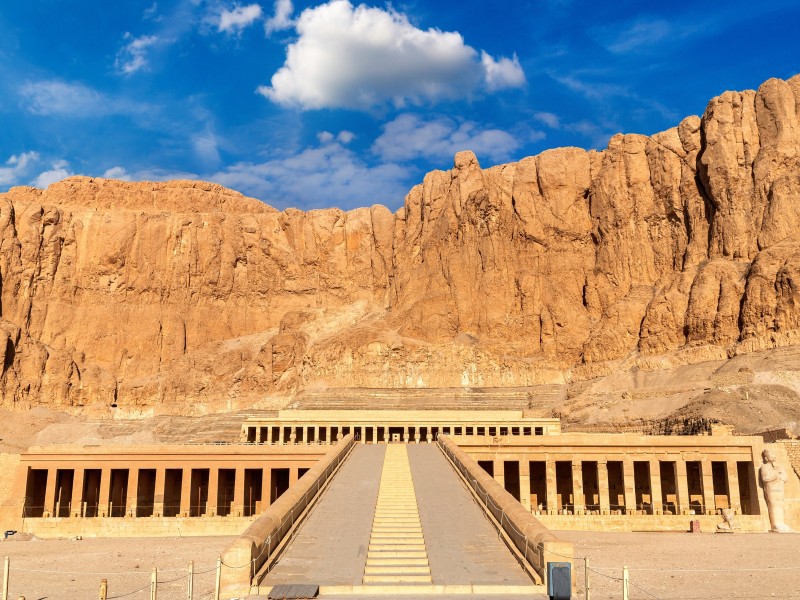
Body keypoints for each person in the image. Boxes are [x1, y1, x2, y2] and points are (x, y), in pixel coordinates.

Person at [759, 448, 794, 533]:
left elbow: (785, 478)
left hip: (780, 489)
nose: (773, 457)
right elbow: (765, 478)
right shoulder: (764, 467)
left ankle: (781, 523)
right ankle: (775, 524)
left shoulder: (779, 467)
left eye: (774, 455)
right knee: (773, 505)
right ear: (766, 458)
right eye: (771, 456)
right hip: (771, 489)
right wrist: (776, 474)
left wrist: (778, 475)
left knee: (780, 506)